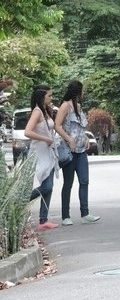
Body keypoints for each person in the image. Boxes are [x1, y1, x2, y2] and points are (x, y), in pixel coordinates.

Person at [54, 80, 100, 225]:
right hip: (69, 150)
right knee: (68, 183)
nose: (83, 93)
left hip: (81, 150)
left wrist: (86, 137)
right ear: (77, 91)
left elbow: (80, 128)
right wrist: (68, 139)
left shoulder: (78, 107)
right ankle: (65, 216)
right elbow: (57, 125)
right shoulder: (65, 106)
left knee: (84, 180)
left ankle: (85, 213)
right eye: (82, 90)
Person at [25, 84, 59, 230]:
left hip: (49, 152)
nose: (51, 98)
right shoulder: (37, 112)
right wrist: (45, 139)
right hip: (40, 152)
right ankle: (20, 202)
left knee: (49, 187)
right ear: (42, 97)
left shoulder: (45, 111)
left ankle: (43, 220)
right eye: (49, 96)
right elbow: (28, 132)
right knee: (47, 186)